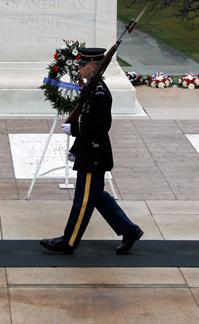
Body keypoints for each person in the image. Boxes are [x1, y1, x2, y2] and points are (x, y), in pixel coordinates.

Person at [40, 47, 143, 255]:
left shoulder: (99, 93)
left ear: (93, 67)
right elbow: (90, 121)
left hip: (94, 155)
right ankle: (130, 230)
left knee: (84, 200)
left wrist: (75, 129)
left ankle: (68, 241)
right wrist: (76, 147)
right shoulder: (92, 87)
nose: (79, 67)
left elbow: (101, 126)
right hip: (90, 152)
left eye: (82, 64)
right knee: (96, 197)